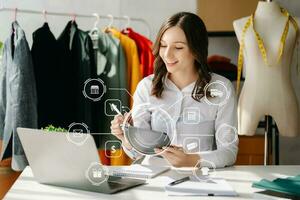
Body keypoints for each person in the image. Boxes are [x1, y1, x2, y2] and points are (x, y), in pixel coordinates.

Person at [111, 12, 238, 168]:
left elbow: (229, 152)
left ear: (196, 50)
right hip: (154, 180)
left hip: (200, 180)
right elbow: (138, 152)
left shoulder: (221, 88)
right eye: (163, 45)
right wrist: (126, 139)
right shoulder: (146, 87)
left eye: (178, 47)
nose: (167, 54)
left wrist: (193, 160)